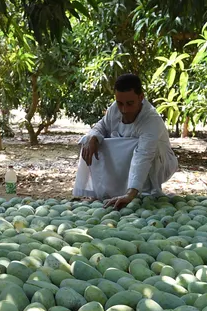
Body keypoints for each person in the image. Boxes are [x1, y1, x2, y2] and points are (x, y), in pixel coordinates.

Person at [73, 73, 179, 210]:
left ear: (141, 98)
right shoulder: (114, 109)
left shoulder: (151, 120)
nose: (124, 110)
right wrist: (93, 137)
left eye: (130, 104)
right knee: (92, 140)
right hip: (127, 160)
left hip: (160, 162)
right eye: (120, 103)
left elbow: (143, 155)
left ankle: (139, 192)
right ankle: (104, 192)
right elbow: (101, 126)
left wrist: (130, 194)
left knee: (136, 146)